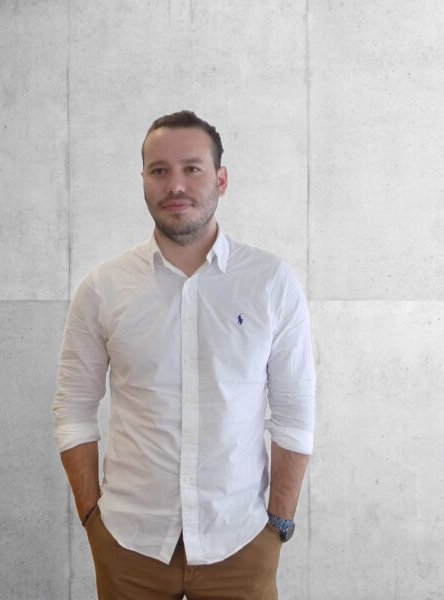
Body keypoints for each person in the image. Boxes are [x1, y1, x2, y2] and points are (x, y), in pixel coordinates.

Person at [53, 110, 316, 600]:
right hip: (129, 545)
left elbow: (295, 413)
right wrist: (92, 518)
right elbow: (72, 410)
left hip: (241, 541)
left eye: (192, 168)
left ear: (220, 179)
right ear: (144, 182)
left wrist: (278, 519)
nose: (176, 184)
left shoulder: (269, 283)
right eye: (159, 171)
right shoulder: (104, 288)